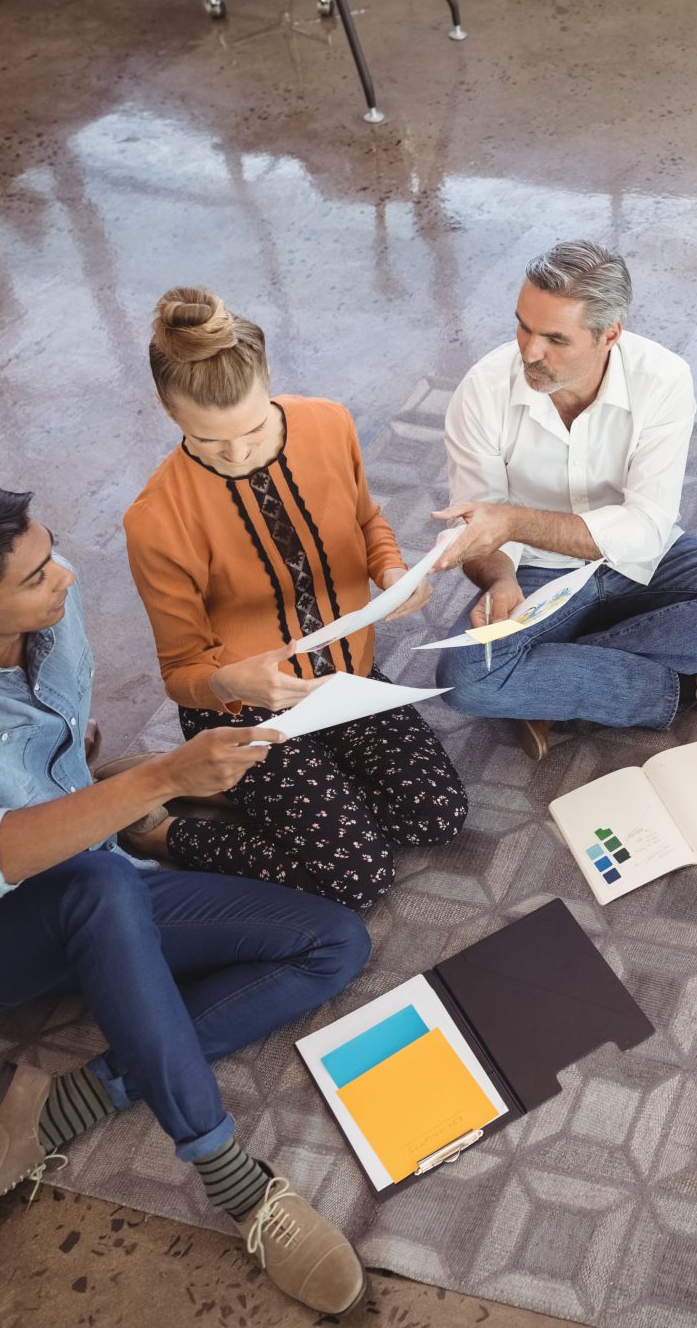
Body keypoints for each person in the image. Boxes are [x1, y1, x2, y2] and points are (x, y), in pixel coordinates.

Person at [0, 477, 372, 1312]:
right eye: (37, 574)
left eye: (50, 554)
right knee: (102, 881)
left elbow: (55, 728)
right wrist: (159, 778)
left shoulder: (46, 607)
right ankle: (239, 1182)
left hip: (91, 876)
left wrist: (76, 765)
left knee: (334, 940)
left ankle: (64, 1104)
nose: (68, 575)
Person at [123, 287, 469, 908]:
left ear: (269, 380)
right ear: (166, 408)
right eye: (208, 440)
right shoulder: (155, 520)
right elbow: (181, 672)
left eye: (253, 428)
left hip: (347, 680)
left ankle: (230, 789)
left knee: (436, 815)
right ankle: (166, 832)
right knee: (359, 877)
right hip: (244, 715)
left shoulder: (328, 423)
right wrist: (230, 682)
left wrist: (392, 570)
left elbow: (365, 519)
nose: (237, 453)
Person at [432, 240, 697, 762]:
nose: (529, 351)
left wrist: (513, 521)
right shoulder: (483, 390)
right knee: (464, 679)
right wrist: (498, 577)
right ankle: (693, 687)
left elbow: (646, 530)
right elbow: (479, 526)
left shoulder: (663, 378)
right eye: (523, 327)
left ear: (610, 334)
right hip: (536, 571)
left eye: (555, 338)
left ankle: (549, 684)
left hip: (641, 558)